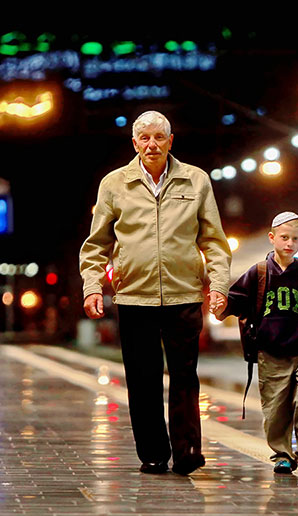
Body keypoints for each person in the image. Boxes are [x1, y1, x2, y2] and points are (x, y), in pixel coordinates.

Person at [79, 110, 231, 476]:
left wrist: (219, 286)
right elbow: (96, 244)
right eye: (144, 138)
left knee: (185, 376)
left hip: (184, 296)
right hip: (133, 298)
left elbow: (213, 240)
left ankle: (187, 451)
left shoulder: (196, 181)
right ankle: (153, 453)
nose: (151, 144)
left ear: (170, 141)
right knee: (142, 380)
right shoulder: (114, 184)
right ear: (134, 144)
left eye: (158, 137)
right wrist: (92, 287)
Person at [220, 212, 298, 473]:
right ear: (272, 238)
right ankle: (282, 453)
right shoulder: (258, 273)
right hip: (269, 352)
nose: (289, 243)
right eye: (284, 237)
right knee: (275, 406)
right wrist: (221, 304)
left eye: (295, 239)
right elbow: (235, 299)